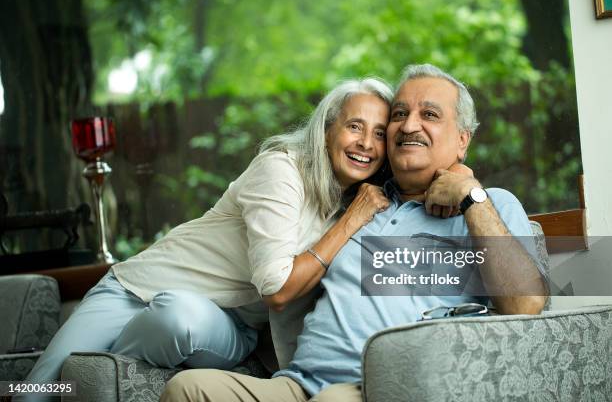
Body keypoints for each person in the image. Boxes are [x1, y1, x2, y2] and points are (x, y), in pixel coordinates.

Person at [160, 63, 549, 402]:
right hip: (295, 385)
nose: (409, 125)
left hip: (374, 387)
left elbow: (526, 306)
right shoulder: (361, 204)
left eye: (429, 114)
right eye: (399, 113)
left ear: (463, 140)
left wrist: (469, 194)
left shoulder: (488, 206)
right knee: (187, 390)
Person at [21, 78, 396, 400]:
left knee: (178, 317)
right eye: (355, 127)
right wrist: (350, 221)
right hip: (133, 289)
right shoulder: (282, 169)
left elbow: (277, 293)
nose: (366, 143)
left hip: (218, 324)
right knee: (38, 390)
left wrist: (456, 183)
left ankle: (100, 368)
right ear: (327, 129)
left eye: (380, 133)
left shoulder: (364, 201)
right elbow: (278, 285)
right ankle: (94, 370)